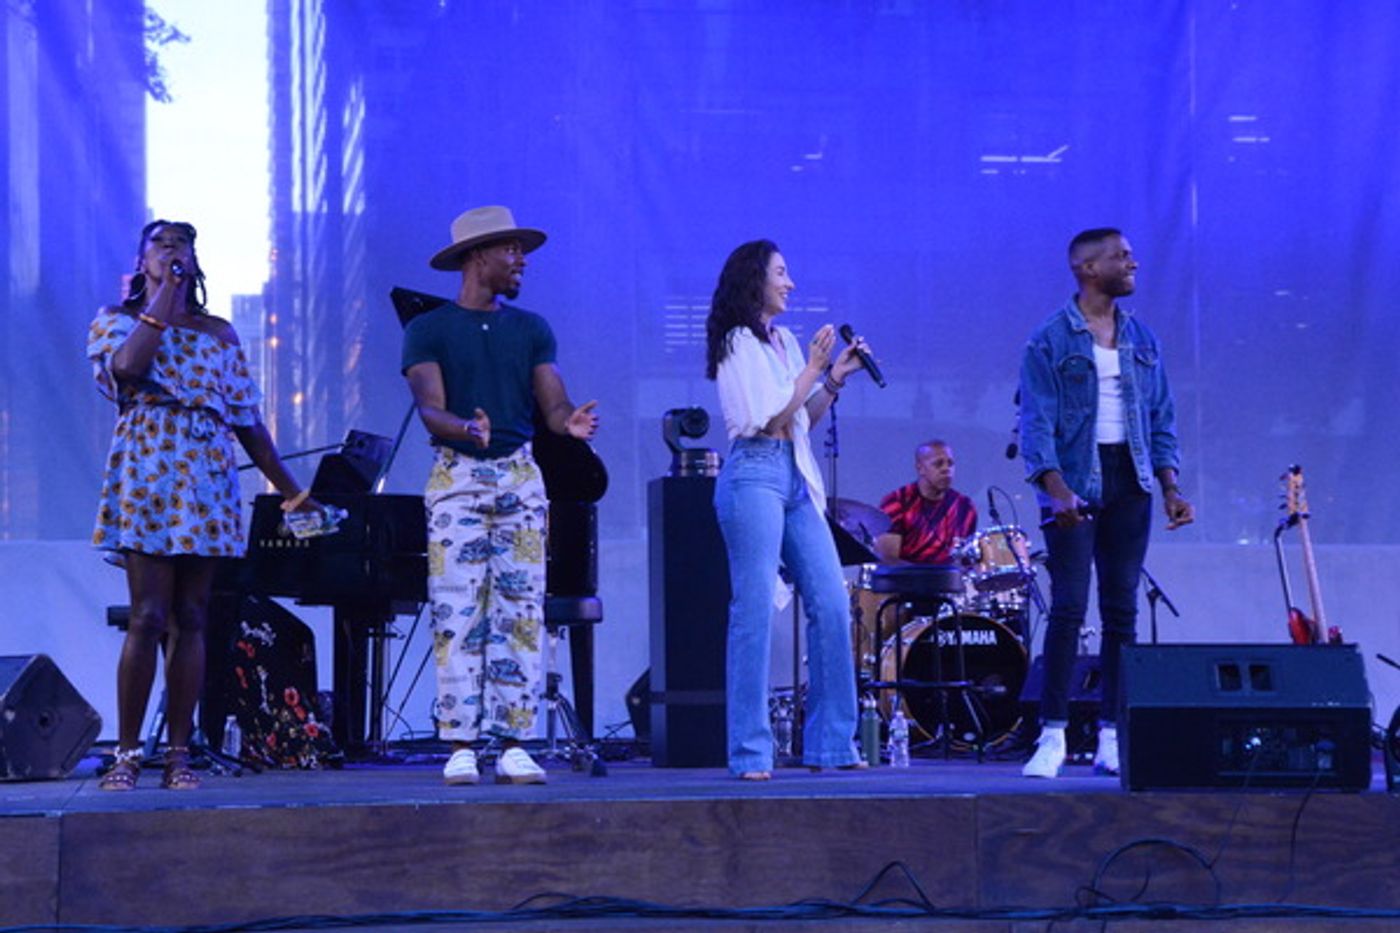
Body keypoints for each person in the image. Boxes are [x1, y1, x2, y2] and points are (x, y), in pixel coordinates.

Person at [88, 219, 313, 791]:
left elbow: (248, 422)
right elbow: (128, 369)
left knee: (193, 618)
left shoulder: (220, 333)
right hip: (147, 475)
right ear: (143, 261)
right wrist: (162, 295)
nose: (173, 251)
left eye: (182, 245)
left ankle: (180, 754)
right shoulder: (115, 322)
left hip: (207, 479)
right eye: (161, 245)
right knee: (147, 617)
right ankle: (128, 753)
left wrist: (291, 490)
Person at [402, 205, 598, 786]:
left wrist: (568, 423)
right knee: (458, 609)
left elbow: (553, 400)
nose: (521, 261)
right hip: (457, 476)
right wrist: (466, 428)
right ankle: (461, 743)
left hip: (518, 474)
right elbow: (430, 408)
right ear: (476, 256)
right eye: (510, 250)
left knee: (519, 611)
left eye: (522, 251)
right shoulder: (429, 328)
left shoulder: (531, 328)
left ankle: (513, 740)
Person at [1017, 227, 1195, 779]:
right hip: (1072, 481)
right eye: (1121, 256)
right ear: (1088, 268)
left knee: (1121, 612)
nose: (1132, 261)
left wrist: (1169, 487)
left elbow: (1160, 418)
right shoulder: (1050, 339)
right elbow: (1035, 424)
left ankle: (1112, 737)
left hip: (1131, 480)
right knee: (1069, 606)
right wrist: (1056, 489)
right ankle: (1052, 735)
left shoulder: (1142, 338)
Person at [705, 238, 872, 780]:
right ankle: (751, 752)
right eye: (782, 272)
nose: (791, 283)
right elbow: (764, 414)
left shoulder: (786, 342)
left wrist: (833, 380)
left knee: (830, 598)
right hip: (752, 472)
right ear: (755, 278)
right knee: (752, 608)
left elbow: (798, 420)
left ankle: (832, 742)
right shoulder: (736, 342)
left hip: (794, 474)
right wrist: (812, 371)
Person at [875, 440, 977, 565]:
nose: (946, 469)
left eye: (950, 464)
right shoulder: (896, 502)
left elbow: (967, 561)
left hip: (950, 582)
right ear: (920, 468)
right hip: (907, 581)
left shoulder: (965, 507)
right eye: (938, 464)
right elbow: (887, 560)